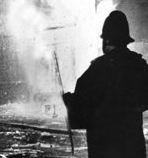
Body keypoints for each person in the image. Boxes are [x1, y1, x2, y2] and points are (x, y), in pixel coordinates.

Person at [63, 10, 148, 158]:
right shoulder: (139, 65)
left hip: (104, 148)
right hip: (132, 148)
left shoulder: (97, 69)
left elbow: (80, 113)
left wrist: (68, 100)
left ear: (107, 40)